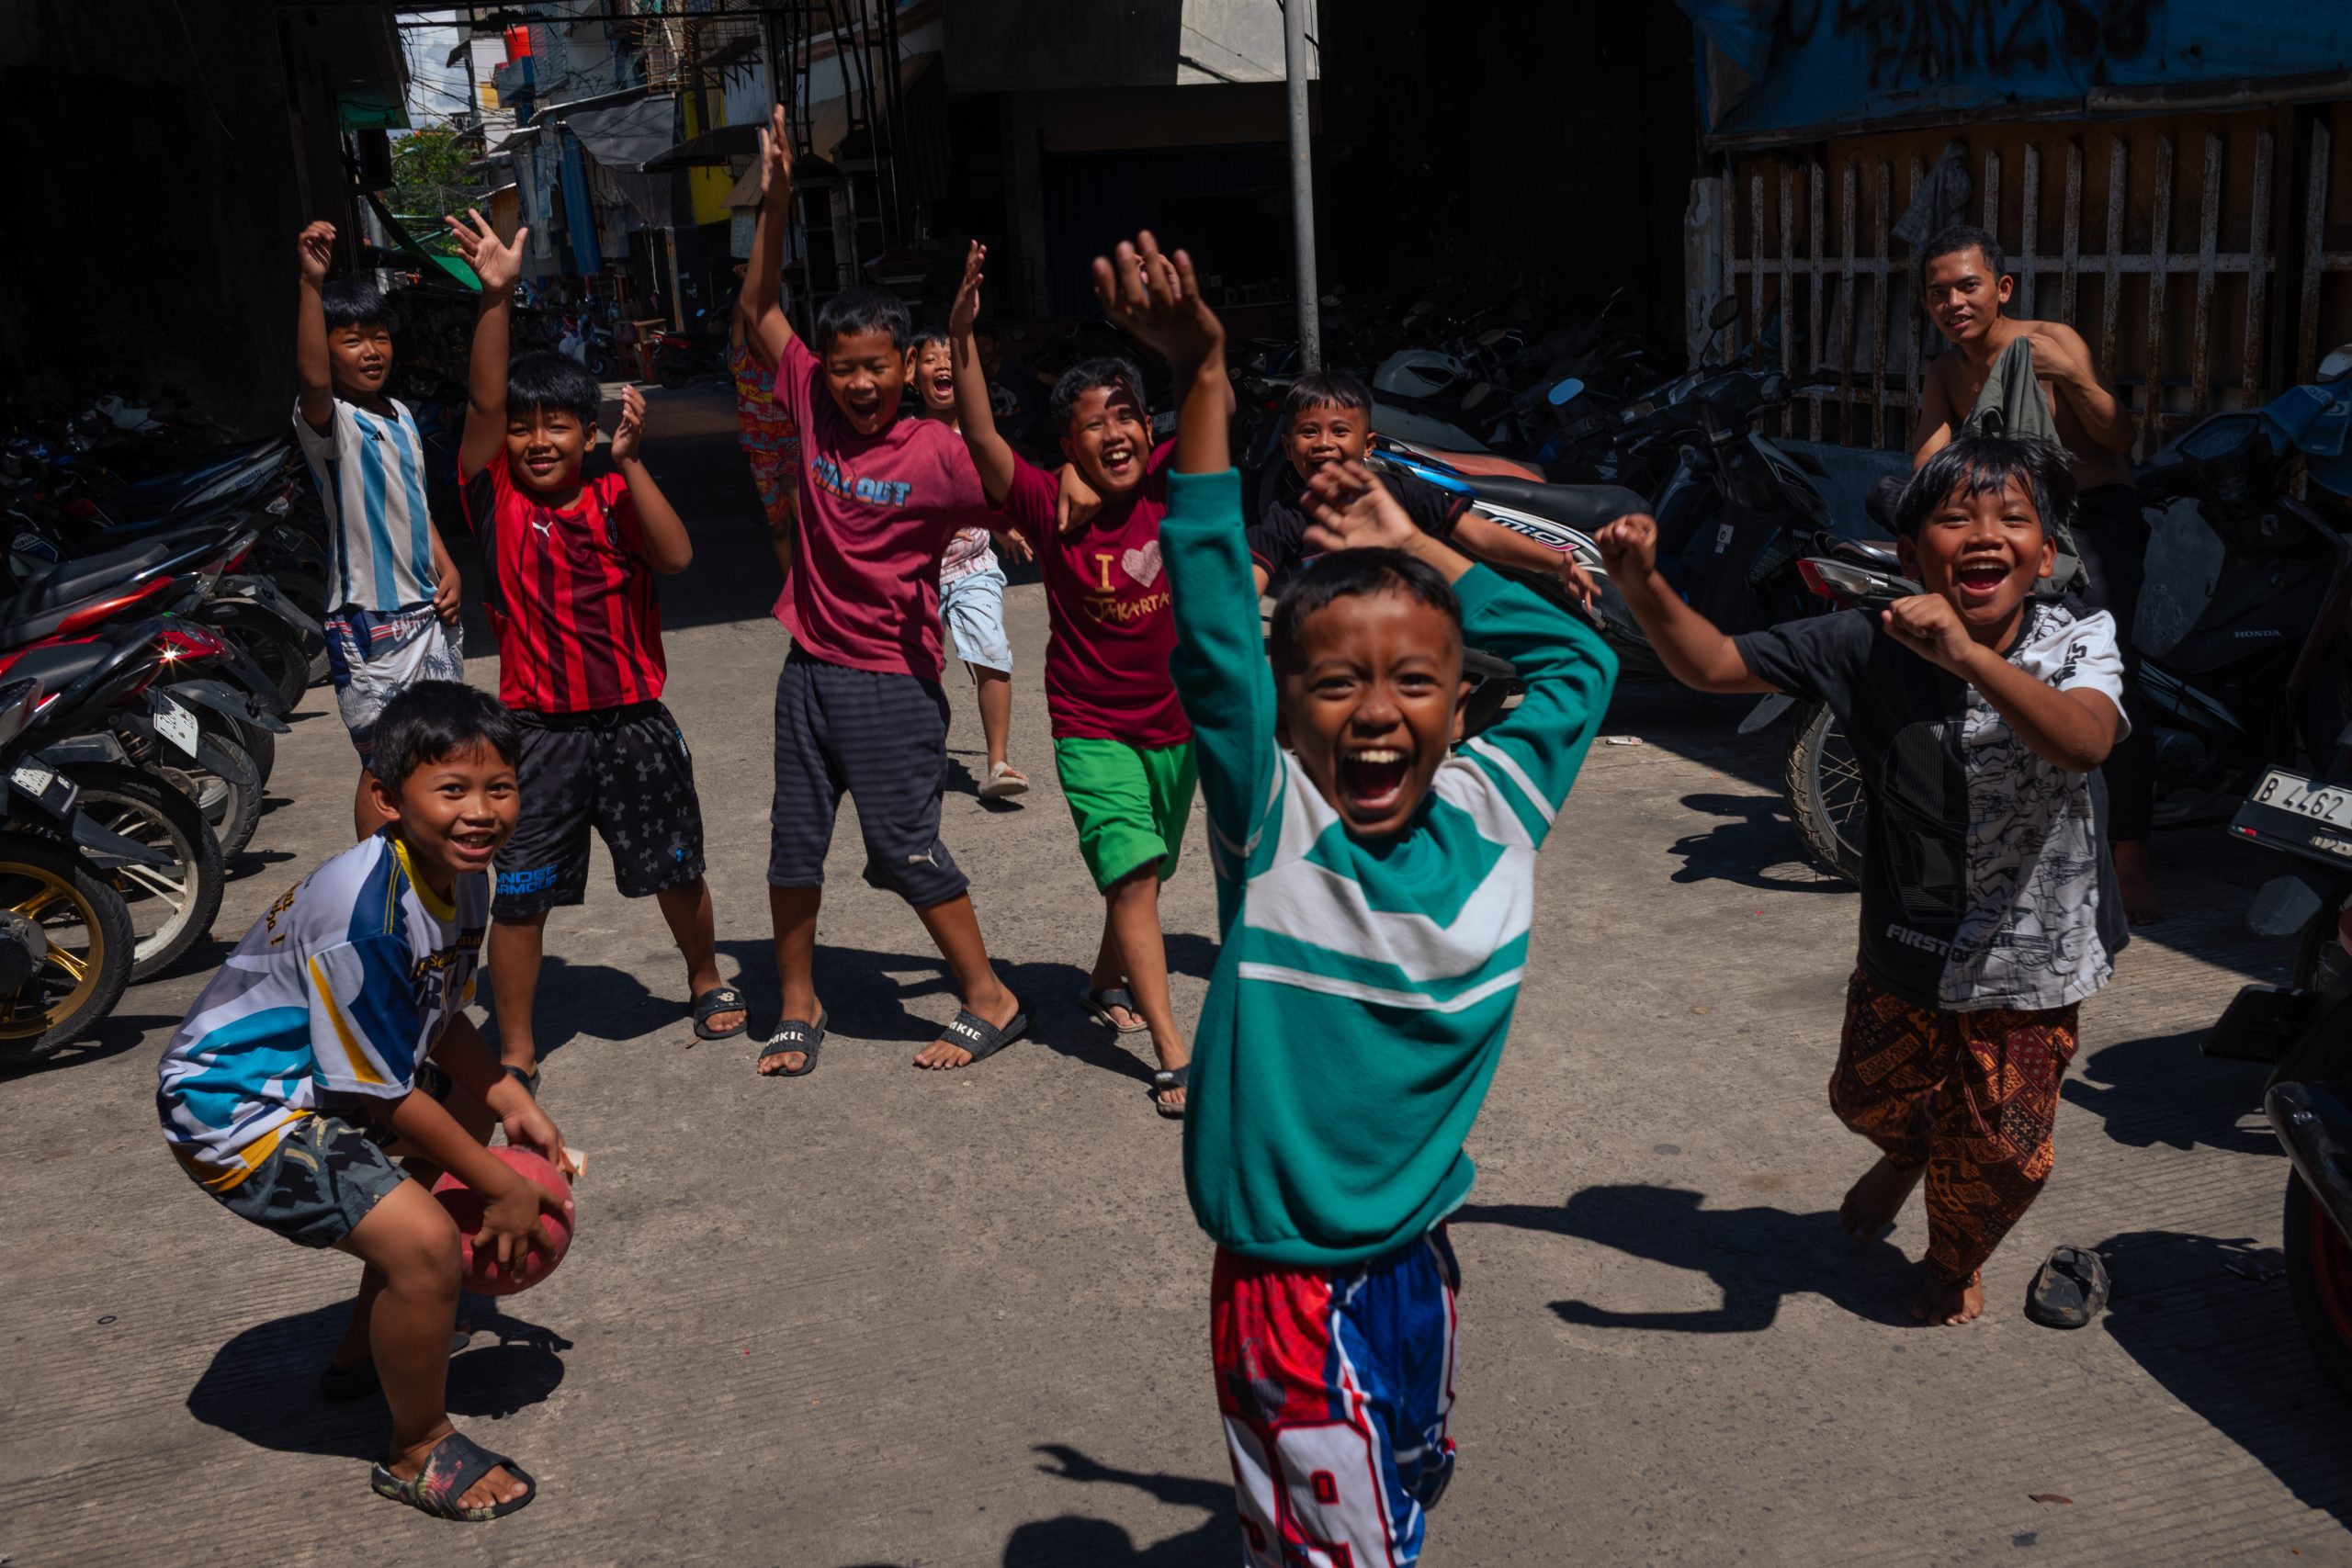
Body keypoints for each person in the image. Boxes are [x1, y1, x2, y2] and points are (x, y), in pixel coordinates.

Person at [1125, 231, 1616, 1561]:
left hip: (1416, 1262)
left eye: (1415, 680)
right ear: (1287, 712)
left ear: (1464, 703)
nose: (1378, 710)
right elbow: (1220, 621)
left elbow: (1578, 658)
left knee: (1393, 1495)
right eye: (1336, 682)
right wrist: (1208, 381)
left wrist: (1424, 540)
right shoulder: (1276, 829)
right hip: (1288, 1288)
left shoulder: (1497, 807)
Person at [1596, 434, 2129, 1325]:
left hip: (2034, 957)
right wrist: (1642, 584)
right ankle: (1907, 1153)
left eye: (2012, 519)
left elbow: (2082, 742)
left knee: (2000, 1150)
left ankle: (1953, 1254)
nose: (1984, 535)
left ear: (2044, 554)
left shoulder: (2079, 641)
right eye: (1954, 519)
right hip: (1907, 937)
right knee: (1866, 1097)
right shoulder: (1860, 641)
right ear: (1912, 553)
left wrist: (1967, 658)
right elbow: (1710, 665)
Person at [155, 682, 573, 1521]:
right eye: (451, 790)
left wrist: (501, 1088)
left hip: (313, 1081)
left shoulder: (461, 874)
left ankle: (365, 1355)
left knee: (467, 1119)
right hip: (236, 1108)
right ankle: (416, 1446)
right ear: (387, 799)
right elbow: (372, 1090)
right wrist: (498, 1182)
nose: (481, 812)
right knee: (425, 1240)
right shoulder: (367, 914)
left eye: (499, 787)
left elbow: (437, 1002)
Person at [742, 118, 1027, 1078]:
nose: (860, 383)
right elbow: (757, 308)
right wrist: (776, 200)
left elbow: (1000, 475)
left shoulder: (936, 454)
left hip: (891, 681)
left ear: (907, 369)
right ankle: (796, 1001)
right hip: (808, 670)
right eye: (846, 366)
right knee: (791, 848)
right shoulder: (812, 400)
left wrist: (965, 343)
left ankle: (990, 996)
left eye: (878, 366)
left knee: (903, 855)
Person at [443, 210, 747, 1072]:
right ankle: (516, 1045)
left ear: (588, 432)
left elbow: (680, 556)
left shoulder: (614, 498)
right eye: (524, 427)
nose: (538, 441)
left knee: (676, 866)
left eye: (559, 427)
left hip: (635, 723)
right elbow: (483, 402)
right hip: (536, 735)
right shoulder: (495, 497)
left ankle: (704, 976)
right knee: (524, 892)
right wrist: (496, 297)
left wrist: (632, 462)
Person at [947, 242, 1202, 1115]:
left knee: (1145, 868)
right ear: (1067, 443)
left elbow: (1212, 400)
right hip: (1092, 724)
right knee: (1131, 872)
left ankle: (1102, 981)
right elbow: (981, 436)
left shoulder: (1176, 482)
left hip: (1177, 724)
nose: (1114, 432)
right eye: (1092, 423)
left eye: (1125, 414)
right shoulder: (1040, 503)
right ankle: (1173, 1054)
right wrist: (963, 338)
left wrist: (1185, 338)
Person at [1908, 224, 2160, 925]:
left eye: (1968, 286)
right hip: (2019, 528)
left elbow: (2119, 436)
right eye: (1939, 293)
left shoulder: (2050, 342)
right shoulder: (1945, 372)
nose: (1954, 302)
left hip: (2095, 521)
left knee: (2109, 671)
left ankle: (2131, 853)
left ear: (2001, 288)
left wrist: (2075, 378)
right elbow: (1928, 463)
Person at [290, 221, 467, 839]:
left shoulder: (402, 415)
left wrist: (448, 567)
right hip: (370, 621)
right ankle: (379, 885)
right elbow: (313, 379)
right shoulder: (329, 422)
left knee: (438, 754)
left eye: (380, 336)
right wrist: (312, 282)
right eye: (352, 339)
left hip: (427, 614)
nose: (372, 350)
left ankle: (426, 878)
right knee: (384, 770)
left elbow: (414, 503)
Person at [1246, 369, 1592, 599]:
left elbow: (1479, 533)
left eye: (1339, 431)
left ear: (1368, 445)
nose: (1323, 443)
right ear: (1289, 449)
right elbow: (1250, 581)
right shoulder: (1286, 519)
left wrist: (1557, 562)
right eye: (1309, 432)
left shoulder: (1400, 493)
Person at [910, 322, 1033, 799]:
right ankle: (918, 756)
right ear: (909, 373)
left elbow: (994, 488)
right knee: (916, 671)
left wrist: (1005, 526)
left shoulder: (979, 433)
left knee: (992, 653)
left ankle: (998, 762)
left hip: (973, 566)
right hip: (917, 575)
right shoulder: (904, 435)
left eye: (951, 358)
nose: (942, 365)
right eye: (930, 358)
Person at [729, 121, 804, 590]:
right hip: (760, 450)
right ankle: (794, 587)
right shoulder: (742, 363)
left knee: (801, 505)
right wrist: (745, 282)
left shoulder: (793, 364)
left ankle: (817, 584)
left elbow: (765, 311)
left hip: (793, 444)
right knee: (779, 523)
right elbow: (751, 310)